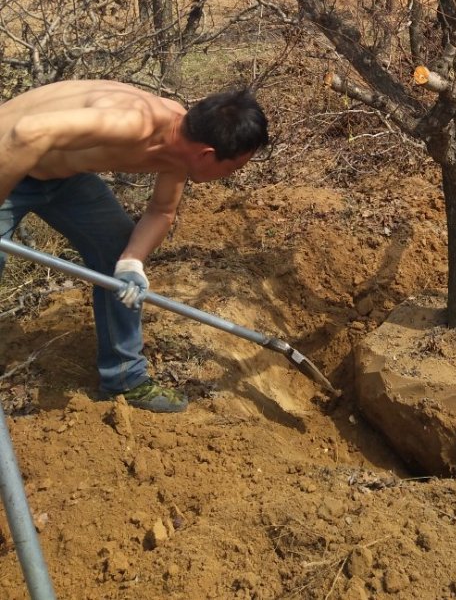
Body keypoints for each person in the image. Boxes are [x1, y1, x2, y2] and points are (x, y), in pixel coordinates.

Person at [0, 80, 269, 413]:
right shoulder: (135, 123)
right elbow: (26, 133)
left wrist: (132, 262)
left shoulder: (181, 150)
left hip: (62, 177)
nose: (229, 176)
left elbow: (161, 211)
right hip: (8, 158)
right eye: (232, 169)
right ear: (208, 155)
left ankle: (125, 381)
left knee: (116, 247)